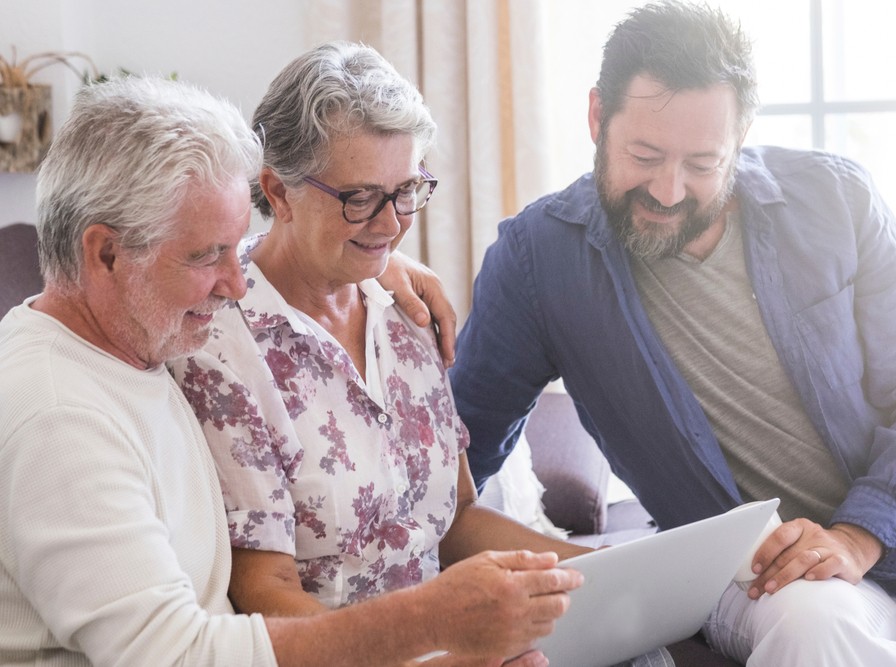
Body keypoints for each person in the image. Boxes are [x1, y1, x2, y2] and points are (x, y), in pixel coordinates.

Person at [448, 1, 896, 665]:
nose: (669, 190)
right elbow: (454, 453)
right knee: (812, 629)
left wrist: (858, 535)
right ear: (597, 117)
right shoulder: (538, 260)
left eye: (703, 163)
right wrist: (376, 264)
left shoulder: (834, 197)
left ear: (740, 137)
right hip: (763, 575)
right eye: (645, 156)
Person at [0, 75, 585, 667]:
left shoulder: (135, 345)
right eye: (207, 256)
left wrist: (370, 259)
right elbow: (172, 657)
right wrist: (433, 632)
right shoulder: (61, 417)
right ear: (104, 255)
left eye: (234, 247)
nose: (235, 285)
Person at [165, 41, 674, 667]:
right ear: (280, 191)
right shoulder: (221, 342)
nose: (390, 223)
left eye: (407, 189)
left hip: (455, 641)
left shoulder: (405, 312)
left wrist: (606, 573)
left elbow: (454, 519)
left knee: (642, 646)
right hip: (360, 654)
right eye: (359, 197)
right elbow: (264, 593)